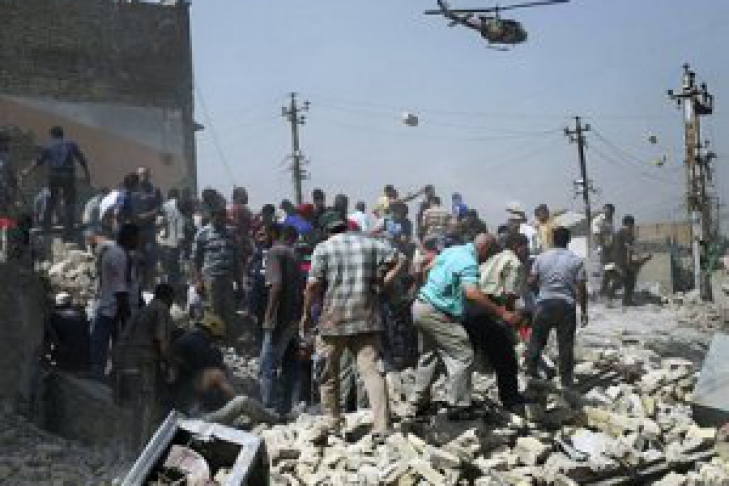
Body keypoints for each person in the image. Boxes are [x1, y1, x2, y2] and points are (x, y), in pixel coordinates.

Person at [301, 210, 404, 440]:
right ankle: (382, 426)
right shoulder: (370, 243)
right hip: (366, 317)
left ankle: (333, 422)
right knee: (372, 372)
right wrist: (383, 282)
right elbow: (400, 259)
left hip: (333, 320)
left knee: (328, 373)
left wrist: (306, 314)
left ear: (326, 230)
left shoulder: (323, 249)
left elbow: (313, 285)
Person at [407, 234, 521, 420]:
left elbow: (425, 266)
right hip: (437, 312)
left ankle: (418, 402)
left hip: (421, 306)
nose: (487, 259)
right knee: (463, 354)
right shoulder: (469, 262)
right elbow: (472, 293)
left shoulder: (452, 251)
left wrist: (425, 287)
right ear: (484, 249)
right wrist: (502, 313)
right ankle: (459, 406)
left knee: (429, 355)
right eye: (489, 254)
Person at [463, 233, 530, 410]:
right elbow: (509, 296)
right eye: (525, 246)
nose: (528, 251)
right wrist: (508, 318)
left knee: (467, 356)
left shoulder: (493, 258)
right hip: (488, 308)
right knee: (505, 357)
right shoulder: (514, 262)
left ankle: (460, 399)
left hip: (470, 306)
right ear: (516, 246)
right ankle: (511, 399)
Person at [526, 226, 588, 388]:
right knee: (565, 345)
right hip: (566, 306)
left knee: (537, 341)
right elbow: (581, 288)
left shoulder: (541, 258)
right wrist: (584, 311)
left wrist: (539, 294)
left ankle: (530, 374)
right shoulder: (576, 260)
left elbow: (531, 281)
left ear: (553, 240)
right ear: (569, 240)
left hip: (544, 305)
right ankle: (566, 382)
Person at [115, 283, 175, 444]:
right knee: (146, 404)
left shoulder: (141, 310)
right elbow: (162, 340)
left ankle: (129, 441)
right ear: (169, 297)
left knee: (133, 405)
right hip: (144, 361)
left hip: (125, 360)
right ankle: (143, 444)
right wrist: (169, 365)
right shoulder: (161, 309)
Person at [259, 225, 303, 414]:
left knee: (267, 365)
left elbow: (276, 286)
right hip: (292, 317)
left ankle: (268, 408)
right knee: (289, 363)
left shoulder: (274, 253)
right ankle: (288, 405)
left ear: (273, 234)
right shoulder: (293, 255)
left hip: (279, 318)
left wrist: (269, 316)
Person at [90, 223, 142, 379]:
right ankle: (100, 378)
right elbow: (120, 290)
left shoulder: (120, 253)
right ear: (130, 238)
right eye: (137, 238)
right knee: (107, 348)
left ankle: (109, 376)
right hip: (113, 310)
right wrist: (126, 317)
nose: (139, 241)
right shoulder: (118, 256)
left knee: (109, 348)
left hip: (113, 309)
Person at [22, 126, 90, 239]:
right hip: (68, 175)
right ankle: (68, 231)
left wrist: (26, 171)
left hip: (54, 176)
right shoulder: (71, 144)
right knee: (69, 202)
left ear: (52, 135)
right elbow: (81, 159)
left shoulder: (49, 145)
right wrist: (87, 174)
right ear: (62, 134)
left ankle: (46, 226)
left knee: (51, 200)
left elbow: (38, 161)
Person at [169, 312, 235, 412]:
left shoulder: (190, 338)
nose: (216, 341)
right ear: (211, 332)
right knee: (217, 375)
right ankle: (234, 405)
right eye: (217, 338)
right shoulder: (197, 343)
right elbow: (208, 366)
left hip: (180, 385)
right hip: (183, 387)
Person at [193, 202, 241, 338]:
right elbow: (196, 260)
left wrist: (239, 282)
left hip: (228, 278)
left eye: (223, 216)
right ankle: (215, 341)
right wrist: (198, 281)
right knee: (214, 311)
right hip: (211, 278)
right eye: (218, 216)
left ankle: (230, 340)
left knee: (230, 310)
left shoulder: (231, 233)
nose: (221, 219)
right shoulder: (203, 233)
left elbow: (236, 259)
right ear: (212, 217)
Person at [44, 292, 90, 372]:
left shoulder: (54, 316)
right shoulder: (82, 315)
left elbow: (50, 337)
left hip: (66, 361)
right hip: (85, 361)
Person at [613, 215, 651, 307]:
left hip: (623, 260)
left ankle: (626, 300)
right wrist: (639, 255)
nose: (632, 227)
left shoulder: (624, 233)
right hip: (621, 261)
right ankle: (610, 296)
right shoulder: (624, 232)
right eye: (631, 225)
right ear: (628, 224)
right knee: (623, 280)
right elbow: (628, 246)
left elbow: (630, 246)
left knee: (629, 280)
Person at [136, 167, 162, 289]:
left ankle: (149, 285)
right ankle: (139, 285)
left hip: (149, 229)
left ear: (149, 176)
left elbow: (159, 208)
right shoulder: (133, 190)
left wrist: (148, 215)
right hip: (136, 230)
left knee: (151, 257)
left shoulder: (155, 190)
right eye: (140, 175)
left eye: (145, 174)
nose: (143, 177)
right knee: (137, 258)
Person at [158, 189, 187, 295]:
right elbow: (181, 227)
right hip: (175, 244)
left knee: (166, 271)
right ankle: (176, 293)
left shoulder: (163, 206)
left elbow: (159, 223)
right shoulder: (179, 206)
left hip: (163, 243)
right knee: (175, 272)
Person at [592, 203, 617, 298]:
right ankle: (595, 293)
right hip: (599, 249)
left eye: (611, 212)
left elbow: (611, 235)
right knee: (598, 271)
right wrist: (600, 248)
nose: (609, 213)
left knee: (608, 269)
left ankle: (603, 290)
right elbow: (596, 235)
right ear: (604, 210)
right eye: (607, 210)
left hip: (608, 249)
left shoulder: (610, 221)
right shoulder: (598, 220)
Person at [0, 133, 21, 217]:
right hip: (3, 189)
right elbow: (12, 174)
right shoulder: (7, 157)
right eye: (8, 142)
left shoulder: (7, 156)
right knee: (4, 211)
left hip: (4, 188)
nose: (10, 145)